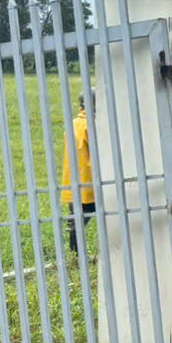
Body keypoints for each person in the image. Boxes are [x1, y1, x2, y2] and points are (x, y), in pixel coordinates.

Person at [60, 95, 96, 255]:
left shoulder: (73, 123)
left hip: (72, 177)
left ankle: (76, 252)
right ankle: (78, 252)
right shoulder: (92, 124)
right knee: (89, 212)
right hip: (89, 178)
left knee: (77, 215)